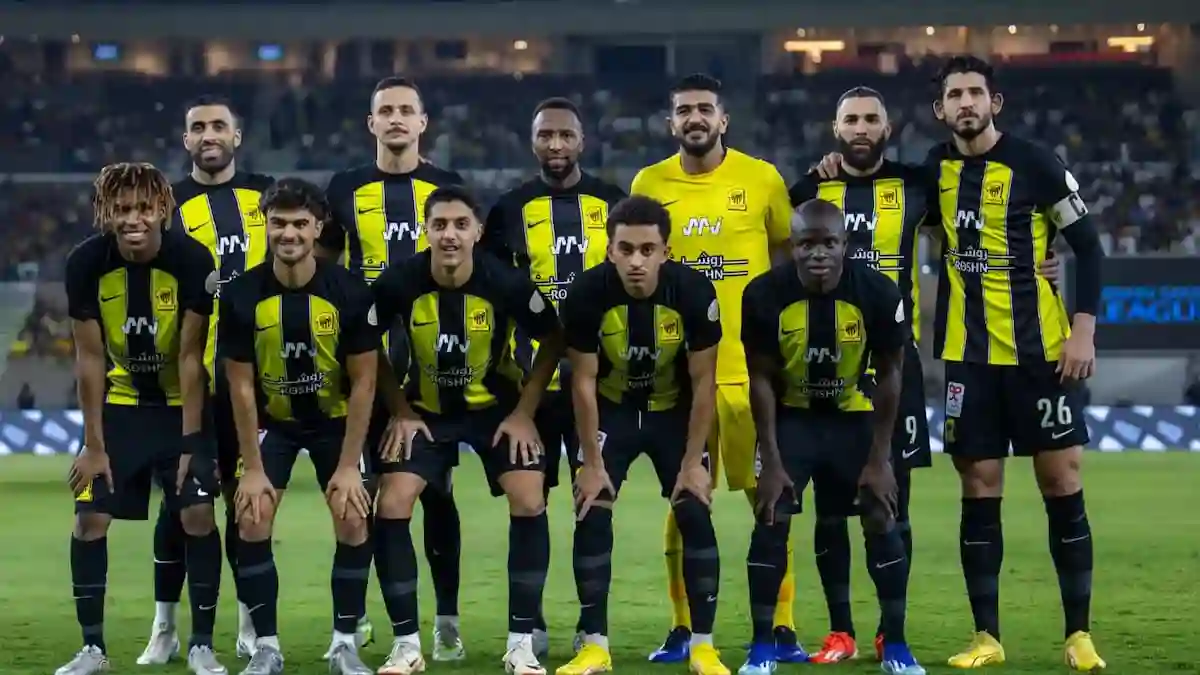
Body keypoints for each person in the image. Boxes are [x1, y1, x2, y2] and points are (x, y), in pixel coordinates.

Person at [793, 87, 1065, 664]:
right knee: (831, 507)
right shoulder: (810, 190)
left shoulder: (919, 186)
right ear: (835, 128)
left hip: (895, 366)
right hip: (824, 366)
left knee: (893, 502)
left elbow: (986, 226)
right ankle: (840, 632)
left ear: (887, 128)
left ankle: (891, 633)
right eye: (850, 120)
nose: (861, 128)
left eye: (871, 119)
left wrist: (1041, 259)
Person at [925, 56, 1105, 672]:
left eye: (975, 92)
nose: (966, 102)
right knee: (979, 487)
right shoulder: (933, 169)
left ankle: (1078, 635)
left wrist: (1083, 330)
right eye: (955, 95)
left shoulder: (1036, 164)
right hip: (969, 359)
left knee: (1062, 482)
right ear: (941, 110)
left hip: (1042, 354)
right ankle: (987, 637)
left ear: (994, 103)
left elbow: (1089, 247)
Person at [630, 73, 801, 662]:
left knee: (770, 500)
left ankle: (780, 626)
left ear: (723, 119)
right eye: (684, 110)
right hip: (684, 379)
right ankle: (683, 628)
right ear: (670, 122)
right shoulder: (650, 183)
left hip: (752, 374)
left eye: (704, 108)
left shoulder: (762, 179)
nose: (695, 118)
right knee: (685, 502)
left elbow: (790, 261)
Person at [368, 185, 562, 675]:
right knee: (392, 502)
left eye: (460, 225)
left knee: (529, 497)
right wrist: (398, 409)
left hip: (496, 411)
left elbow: (555, 338)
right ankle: (406, 646)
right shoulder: (398, 282)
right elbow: (364, 344)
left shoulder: (506, 282)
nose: (450, 235)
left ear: (477, 231)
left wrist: (525, 412)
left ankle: (521, 645)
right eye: (439, 225)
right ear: (425, 231)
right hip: (425, 412)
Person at [739, 198, 924, 675]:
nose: (818, 254)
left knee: (880, 515)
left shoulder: (878, 292)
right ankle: (761, 648)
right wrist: (770, 460)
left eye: (828, 243)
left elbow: (892, 374)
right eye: (807, 244)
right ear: (792, 246)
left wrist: (880, 459)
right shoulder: (763, 294)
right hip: (794, 421)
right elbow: (760, 378)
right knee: (771, 515)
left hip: (854, 420)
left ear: (846, 245)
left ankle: (897, 644)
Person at [59, 162, 225, 675]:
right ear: (105, 212)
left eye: (144, 208)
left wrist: (192, 442)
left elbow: (191, 357)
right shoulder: (85, 263)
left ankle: (200, 645)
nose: (133, 219)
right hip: (121, 409)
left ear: (163, 210)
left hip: (180, 409)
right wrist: (94, 445)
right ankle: (92, 650)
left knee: (197, 516)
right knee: (89, 519)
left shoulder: (191, 260)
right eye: (122, 209)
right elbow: (90, 358)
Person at [320, 75, 465, 662]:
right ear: (372, 123)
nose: (397, 118)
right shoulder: (345, 188)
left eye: (407, 109)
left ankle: (447, 619)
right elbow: (325, 265)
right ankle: (363, 619)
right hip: (365, 359)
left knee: (437, 491)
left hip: (434, 360)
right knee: (372, 495)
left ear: (423, 123)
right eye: (387, 110)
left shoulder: (447, 186)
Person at [557, 195, 727, 675]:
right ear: (609, 250)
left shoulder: (694, 292)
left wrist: (693, 463)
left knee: (694, 509)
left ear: (665, 252)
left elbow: (704, 383)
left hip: (673, 414)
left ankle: (703, 647)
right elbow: (583, 382)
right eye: (626, 249)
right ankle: (594, 646)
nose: (636, 261)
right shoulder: (587, 294)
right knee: (592, 509)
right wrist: (591, 464)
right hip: (611, 412)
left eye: (647, 250)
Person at [482, 96, 627, 658]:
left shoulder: (612, 202)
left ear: (582, 140)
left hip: (601, 384)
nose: (556, 145)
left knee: (594, 499)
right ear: (533, 141)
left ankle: (593, 627)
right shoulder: (509, 210)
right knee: (529, 502)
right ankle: (532, 625)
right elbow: (494, 293)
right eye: (546, 135)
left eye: (566, 135)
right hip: (532, 387)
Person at [139, 94, 281, 666]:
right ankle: (164, 627)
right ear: (186, 140)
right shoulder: (167, 205)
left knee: (246, 506)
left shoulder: (268, 195)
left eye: (218, 125)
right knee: (181, 505)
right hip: (187, 381)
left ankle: (248, 623)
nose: (208, 134)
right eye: (197, 127)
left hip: (256, 380)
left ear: (237, 136)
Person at [220, 178, 378, 675]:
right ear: (265, 226)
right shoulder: (241, 294)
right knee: (252, 517)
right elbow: (241, 387)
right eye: (279, 223)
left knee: (353, 516)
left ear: (318, 227)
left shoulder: (349, 290)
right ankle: (265, 647)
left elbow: (365, 383)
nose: (289, 234)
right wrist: (251, 468)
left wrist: (349, 466)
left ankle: (344, 645)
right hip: (275, 423)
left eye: (299, 224)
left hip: (335, 422)